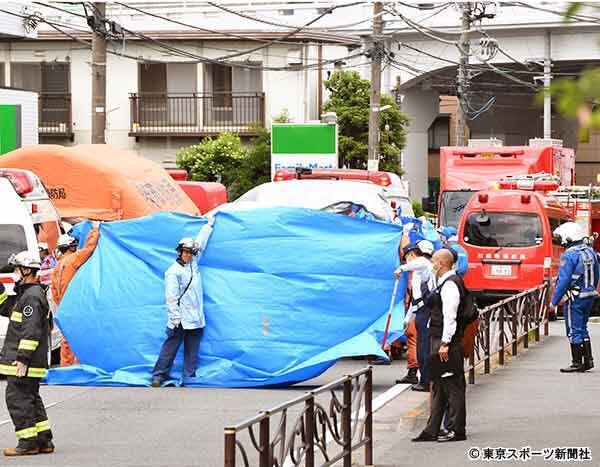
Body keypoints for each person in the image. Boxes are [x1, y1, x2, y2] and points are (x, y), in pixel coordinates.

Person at [0, 252, 54, 456]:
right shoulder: (27, 294)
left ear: (27, 270)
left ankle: (27, 442)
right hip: (30, 361)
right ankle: (43, 439)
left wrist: (22, 359)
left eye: (16, 269)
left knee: (18, 399)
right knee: (31, 398)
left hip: (24, 362)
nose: (14, 273)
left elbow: (31, 331)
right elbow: (6, 308)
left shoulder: (31, 297)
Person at [152, 217, 216, 387]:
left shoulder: (193, 265)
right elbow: (171, 297)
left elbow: (201, 243)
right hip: (179, 318)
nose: (188, 255)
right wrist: (175, 319)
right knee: (170, 348)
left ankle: (189, 375)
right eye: (185, 252)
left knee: (192, 349)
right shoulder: (173, 272)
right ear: (179, 252)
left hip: (195, 317)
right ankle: (158, 376)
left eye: (190, 252)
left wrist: (209, 225)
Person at [413, 248, 467, 443]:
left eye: (434, 261)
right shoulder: (445, 282)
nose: (432, 265)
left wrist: (445, 343)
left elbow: (450, 316)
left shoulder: (450, 285)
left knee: (452, 385)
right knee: (438, 384)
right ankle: (433, 428)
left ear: (442, 264)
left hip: (446, 341)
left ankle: (455, 429)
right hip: (439, 337)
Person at [549, 222, 599, 373]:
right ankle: (588, 359)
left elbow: (563, 281)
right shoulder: (590, 252)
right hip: (589, 295)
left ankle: (577, 362)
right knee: (583, 328)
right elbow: (597, 274)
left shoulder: (569, 255)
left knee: (573, 330)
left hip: (575, 298)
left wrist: (553, 302)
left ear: (567, 238)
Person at [51, 227, 100, 366]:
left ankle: (65, 367)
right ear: (70, 246)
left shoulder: (58, 265)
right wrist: (95, 230)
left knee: (66, 338)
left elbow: (54, 291)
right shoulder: (73, 259)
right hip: (75, 305)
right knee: (80, 336)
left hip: (63, 306)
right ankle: (79, 366)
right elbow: (90, 248)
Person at [394, 240, 434, 391]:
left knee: (424, 347)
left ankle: (426, 381)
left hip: (426, 312)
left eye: (407, 257)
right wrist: (407, 318)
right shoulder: (418, 272)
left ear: (411, 255)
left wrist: (401, 268)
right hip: (419, 312)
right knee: (421, 347)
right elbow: (415, 299)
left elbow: (419, 262)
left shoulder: (424, 264)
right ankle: (424, 379)